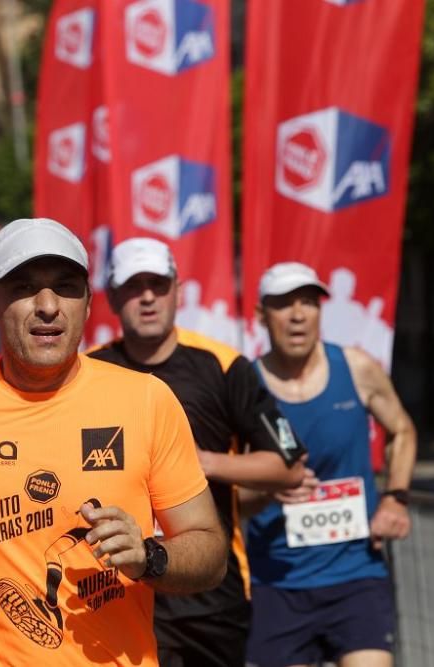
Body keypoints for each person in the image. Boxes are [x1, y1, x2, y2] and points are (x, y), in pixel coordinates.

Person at [0, 218, 226, 665]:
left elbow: (209, 551)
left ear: (89, 304)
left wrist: (150, 556)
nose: (48, 305)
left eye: (67, 287)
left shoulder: (146, 399)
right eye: (24, 288)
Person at [88, 238, 307, 667]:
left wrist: (200, 462)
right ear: (112, 297)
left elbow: (289, 465)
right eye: (134, 286)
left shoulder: (223, 365)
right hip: (119, 593)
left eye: (159, 284)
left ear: (179, 291)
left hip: (211, 594)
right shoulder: (89, 371)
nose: (148, 297)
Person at [242, 262, 417, 667]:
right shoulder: (246, 387)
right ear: (260, 315)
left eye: (309, 302)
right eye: (284, 304)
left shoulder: (356, 368)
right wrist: (268, 490)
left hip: (355, 574)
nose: (299, 314)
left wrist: (396, 498)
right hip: (278, 580)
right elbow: (230, 497)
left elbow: (403, 430)